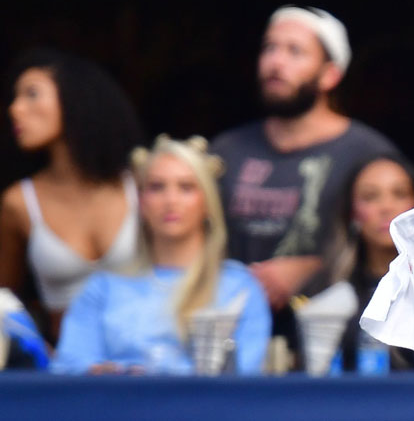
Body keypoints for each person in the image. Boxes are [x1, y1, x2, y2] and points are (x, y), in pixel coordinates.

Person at [212, 6, 401, 312]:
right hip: (230, 330)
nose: (276, 62)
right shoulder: (225, 150)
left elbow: (402, 247)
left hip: (336, 340)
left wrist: (313, 269)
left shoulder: (368, 156)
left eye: (295, 51)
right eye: (269, 48)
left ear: (330, 74)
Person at [52, 135, 270, 375]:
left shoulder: (240, 288)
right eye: (157, 187)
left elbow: (245, 380)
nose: (171, 200)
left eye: (186, 187)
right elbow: (68, 370)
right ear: (142, 202)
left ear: (207, 202)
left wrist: (139, 374)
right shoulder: (102, 289)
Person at [0, 49, 143, 343]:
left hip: (146, 362)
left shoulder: (140, 183)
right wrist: (37, 353)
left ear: (75, 98)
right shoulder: (19, 202)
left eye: (32, 94)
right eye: (15, 98)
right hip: (66, 369)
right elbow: (5, 302)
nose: (15, 109)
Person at [328, 155, 414, 372]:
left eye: (399, 194)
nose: (386, 207)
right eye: (370, 196)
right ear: (352, 212)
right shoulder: (331, 286)